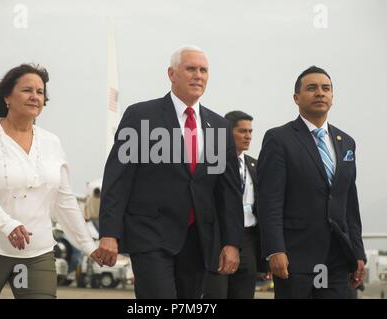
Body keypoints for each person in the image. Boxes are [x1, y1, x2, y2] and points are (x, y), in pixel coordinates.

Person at [95, 46, 244, 298]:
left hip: (198, 241)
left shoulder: (219, 127)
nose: (198, 75)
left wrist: (232, 242)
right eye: (191, 69)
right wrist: (109, 233)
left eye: (203, 70)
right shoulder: (140, 116)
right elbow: (117, 180)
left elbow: (228, 193)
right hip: (150, 236)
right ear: (171, 74)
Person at [0, 64, 99, 299]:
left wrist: (88, 246)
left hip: (36, 253)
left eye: (40, 92)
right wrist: (8, 225)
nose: (35, 96)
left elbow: (64, 202)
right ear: (7, 97)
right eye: (27, 90)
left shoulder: (52, 143)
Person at [257, 66, 366, 299]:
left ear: (332, 97)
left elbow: (350, 203)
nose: (320, 93)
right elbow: (269, 201)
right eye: (312, 88)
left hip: (338, 256)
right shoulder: (279, 139)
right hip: (295, 257)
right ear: (296, 98)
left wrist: (358, 252)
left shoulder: (346, 142)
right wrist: (275, 249)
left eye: (326, 88)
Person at [203, 111, 267, 299]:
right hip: (218, 238)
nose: (248, 136)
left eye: (250, 131)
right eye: (242, 131)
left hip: (248, 240)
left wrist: (264, 259)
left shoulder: (255, 165)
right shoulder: (210, 162)